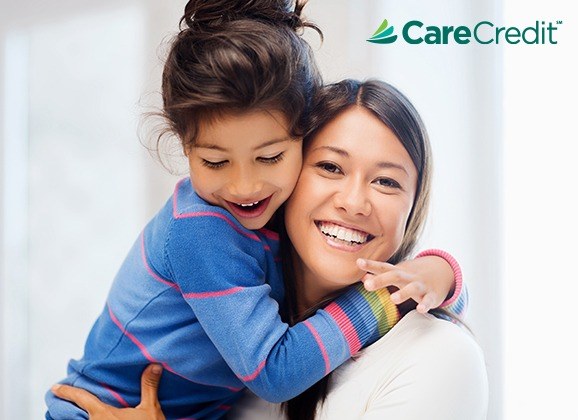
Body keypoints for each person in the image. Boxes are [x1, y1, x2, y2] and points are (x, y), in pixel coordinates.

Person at [46, 1, 468, 418]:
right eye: (215, 162)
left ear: (300, 136)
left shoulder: (273, 221)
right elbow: (275, 373)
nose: (244, 187)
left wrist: (439, 274)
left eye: (269, 158)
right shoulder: (202, 230)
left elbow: (427, 294)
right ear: (182, 146)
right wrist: (386, 300)